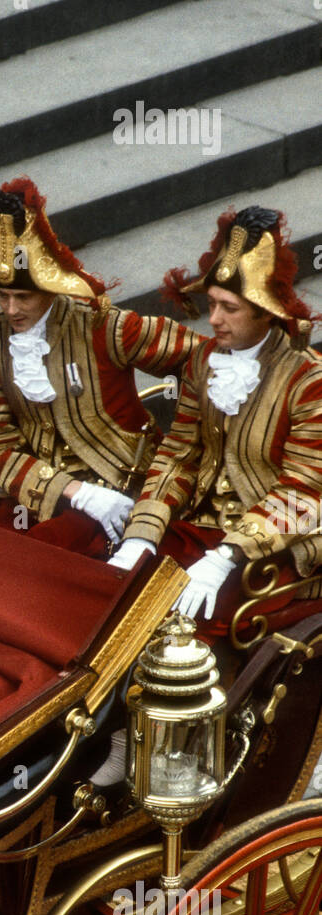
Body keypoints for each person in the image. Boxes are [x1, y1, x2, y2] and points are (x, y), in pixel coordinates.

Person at [0, 178, 203, 556]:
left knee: (42, 561)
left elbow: (204, 360)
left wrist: (187, 444)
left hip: (117, 494)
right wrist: (73, 492)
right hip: (39, 495)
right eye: (2, 295)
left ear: (49, 286)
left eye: (23, 296)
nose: (10, 310)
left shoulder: (103, 326)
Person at [111, 205, 322, 628]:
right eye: (211, 304)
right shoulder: (203, 361)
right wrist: (143, 530)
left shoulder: (308, 380)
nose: (213, 320)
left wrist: (226, 556)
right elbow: (178, 456)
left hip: (272, 546)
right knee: (119, 595)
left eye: (229, 308)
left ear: (265, 312)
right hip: (199, 525)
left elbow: (302, 492)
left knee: (188, 629)